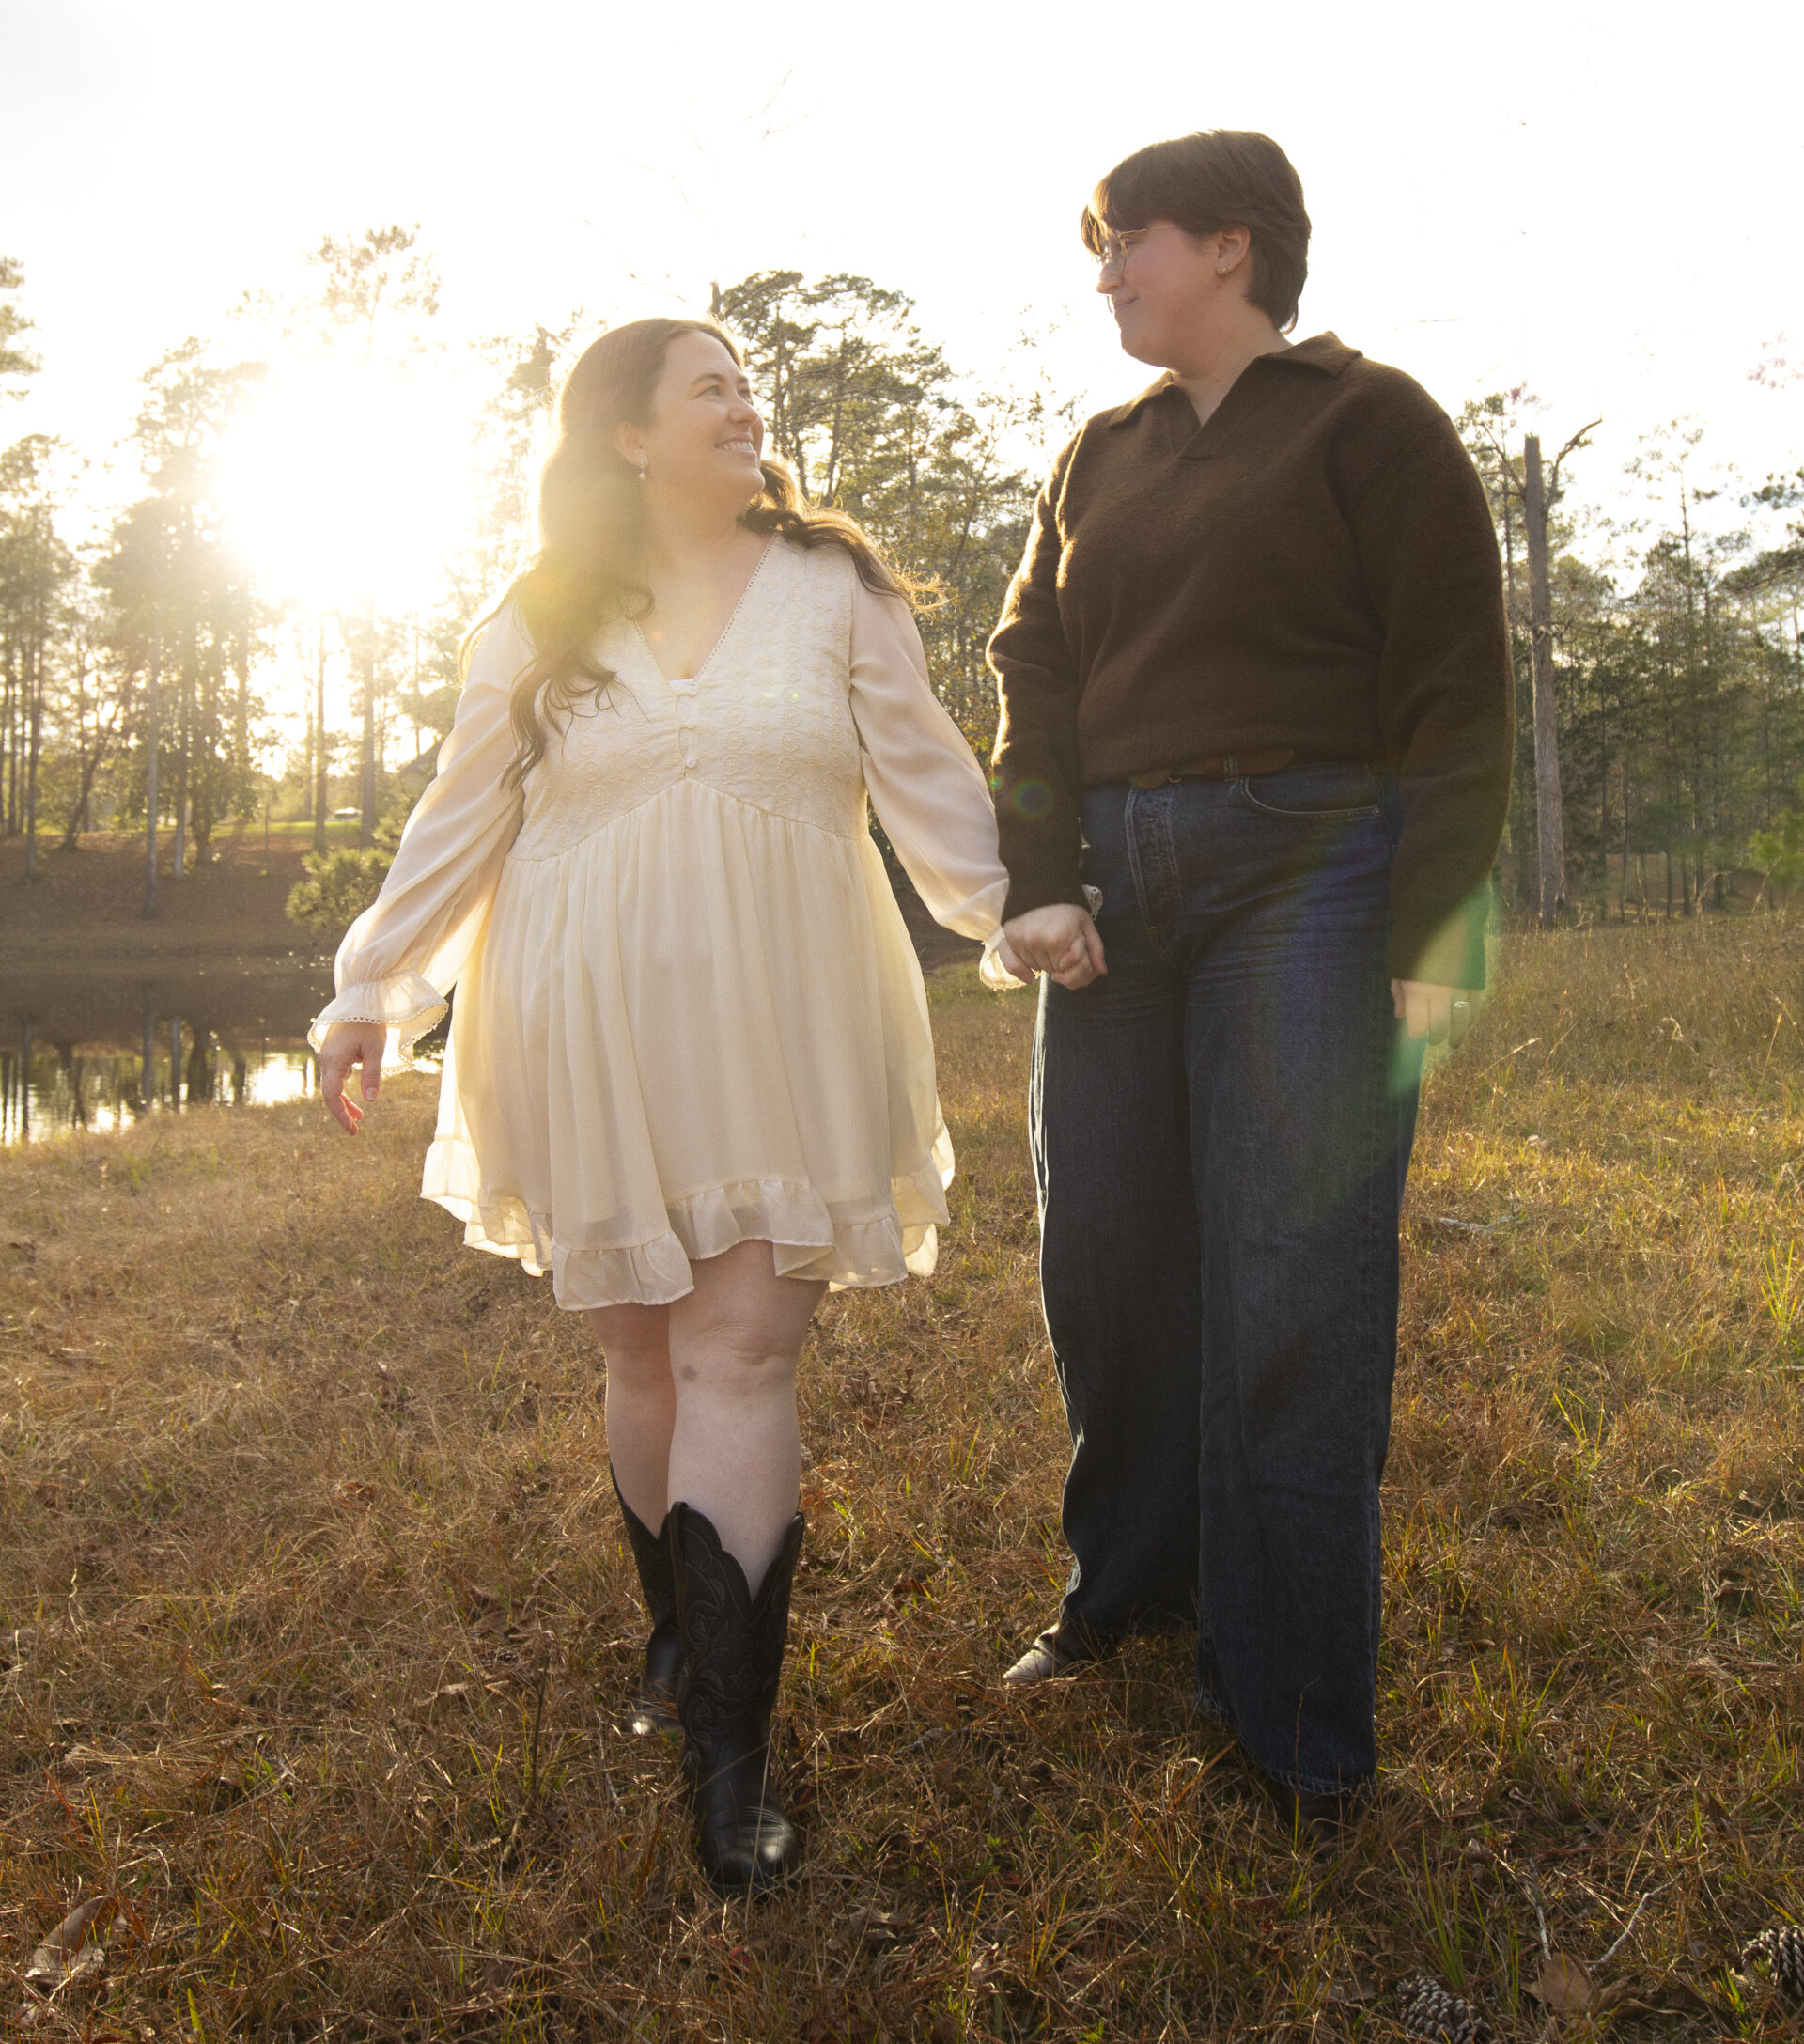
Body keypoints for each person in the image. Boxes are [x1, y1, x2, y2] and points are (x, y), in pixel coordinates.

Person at [312, 318, 1011, 1893]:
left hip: (781, 1020)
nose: (745, 409)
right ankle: (678, 1640)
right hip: (584, 1023)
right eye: (711, 388)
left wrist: (1003, 908)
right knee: (642, 1349)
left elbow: (928, 777)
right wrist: (373, 986)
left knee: (740, 1347)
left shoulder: (837, 589)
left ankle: (730, 1764)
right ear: (627, 434)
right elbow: (455, 821)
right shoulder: (541, 614)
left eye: (751, 388)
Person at [988, 131, 1512, 1844]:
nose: (1106, 277)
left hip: (1311, 866)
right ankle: (1129, 1591)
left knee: (1292, 1277)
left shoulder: (1374, 424)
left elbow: (1451, 685)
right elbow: (1033, 665)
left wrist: (1436, 938)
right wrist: (1040, 879)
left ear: (1227, 247)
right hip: (1117, 893)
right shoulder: (1102, 452)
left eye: (1123, 245)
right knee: (1109, 1255)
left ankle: (1292, 1718)